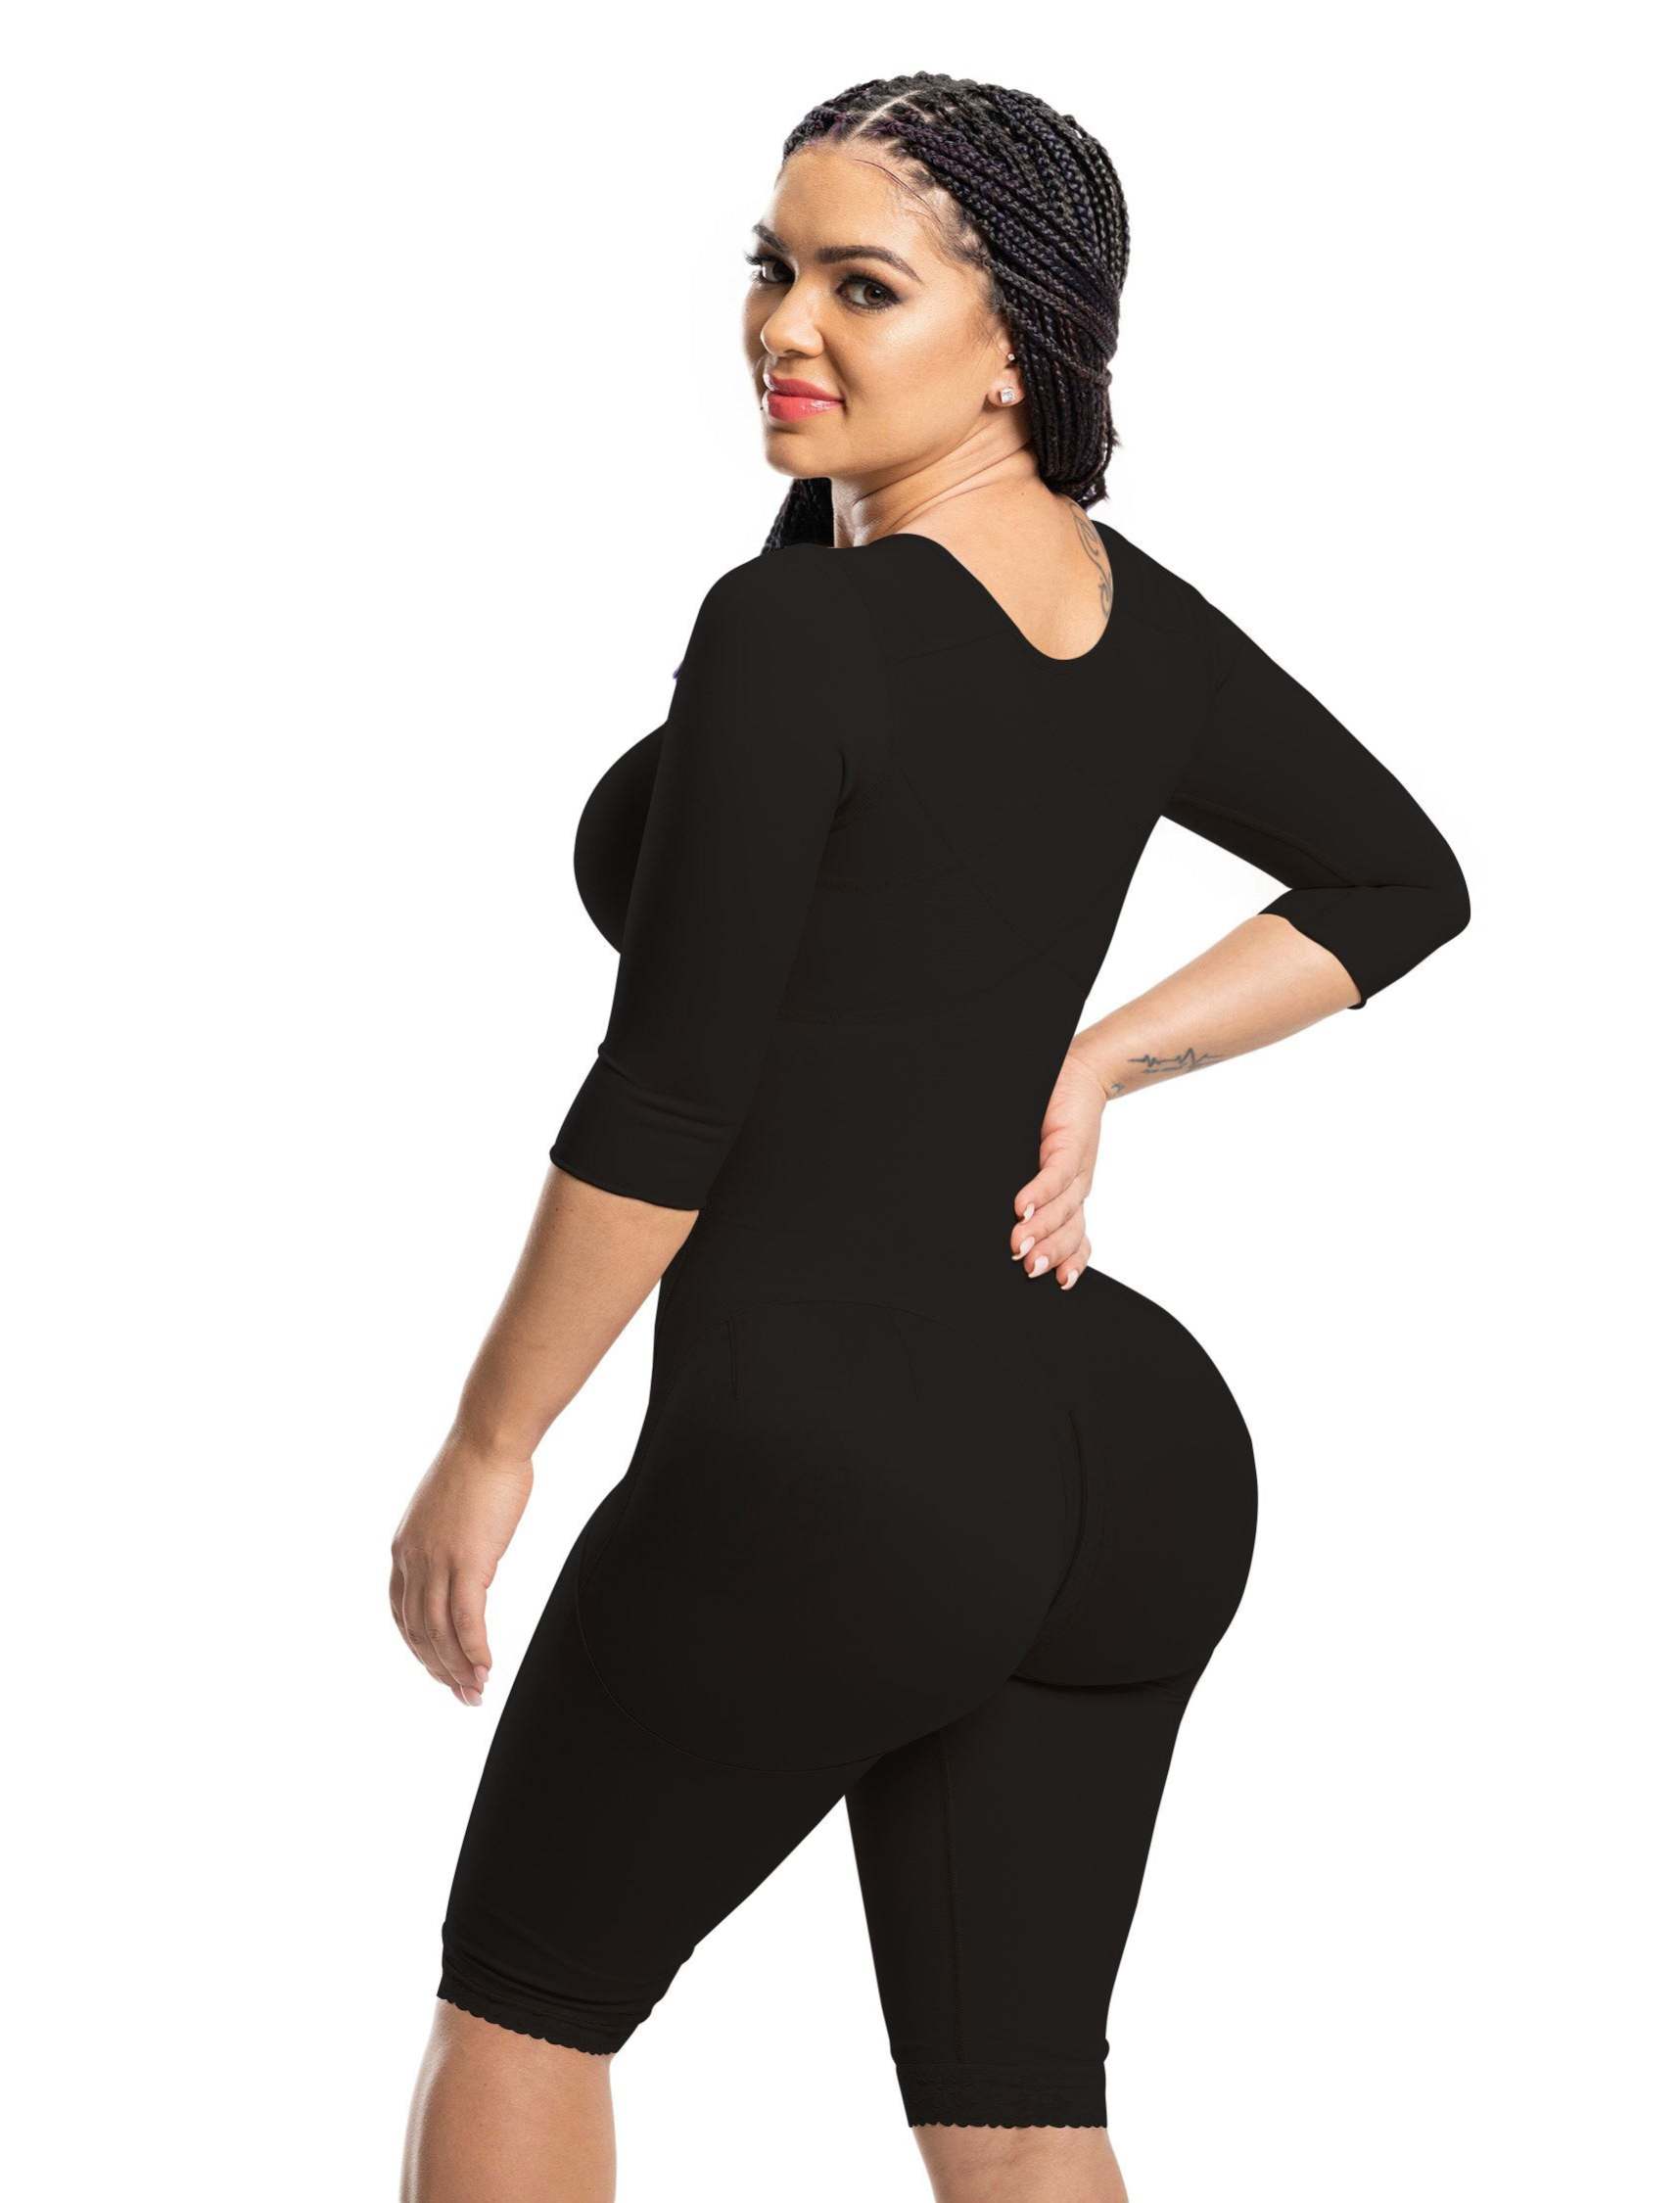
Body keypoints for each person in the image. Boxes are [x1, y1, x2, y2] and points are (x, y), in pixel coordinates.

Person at [392, 71, 1470, 2203]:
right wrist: (1101, 1055)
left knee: (525, 1999)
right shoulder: (1118, 616)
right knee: (1020, 2108)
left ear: (1016, 344)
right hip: (1120, 1453)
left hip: (834, 1450)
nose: (785, 326)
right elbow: (1396, 881)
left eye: (862, 285)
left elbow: (666, 1107)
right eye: (771, 267)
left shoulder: (798, 638)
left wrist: (492, 1441)